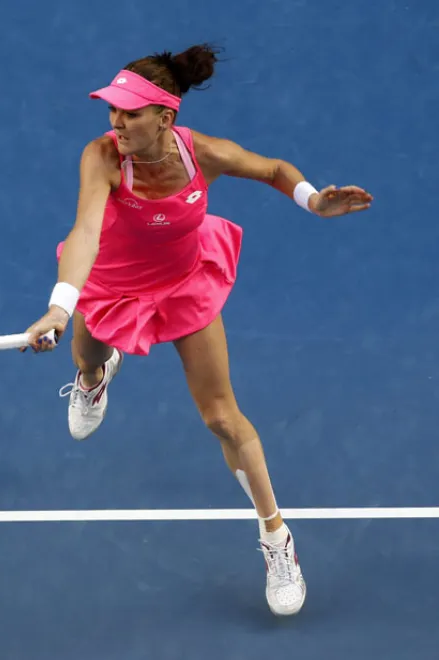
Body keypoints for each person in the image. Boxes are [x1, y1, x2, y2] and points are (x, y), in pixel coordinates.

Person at [24, 43, 373, 617]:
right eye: (112, 110)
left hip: (184, 284)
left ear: (166, 118)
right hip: (109, 283)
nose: (116, 122)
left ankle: (276, 538)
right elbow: (86, 230)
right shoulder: (102, 157)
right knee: (86, 356)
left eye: (130, 113)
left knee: (221, 416)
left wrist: (313, 201)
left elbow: (274, 170)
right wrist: (61, 308)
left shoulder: (204, 154)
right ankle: (95, 376)